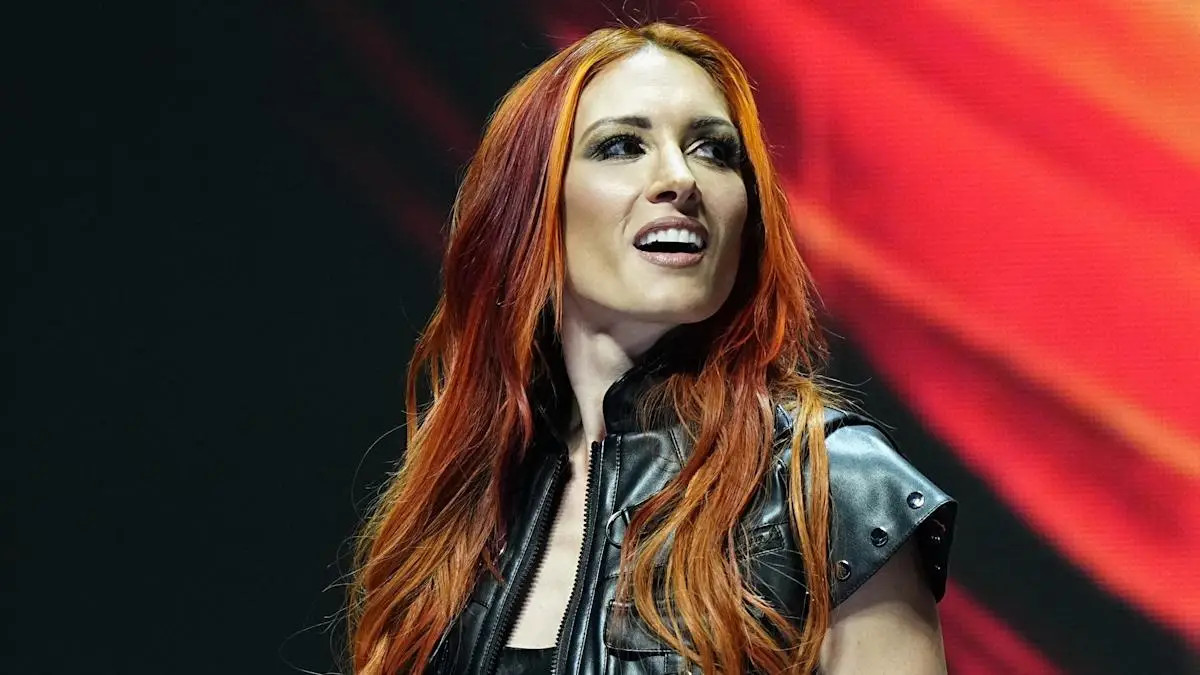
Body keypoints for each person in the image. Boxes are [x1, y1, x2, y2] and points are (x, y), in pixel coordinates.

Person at [347, 22, 956, 675]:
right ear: (529, 205)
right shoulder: (461, 499)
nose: (680, 178)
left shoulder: (832, 486)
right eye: (621, 146)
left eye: (714, 151)